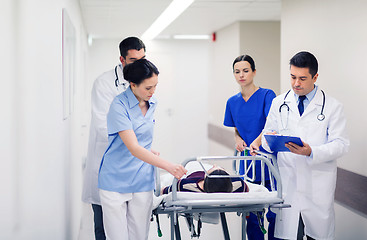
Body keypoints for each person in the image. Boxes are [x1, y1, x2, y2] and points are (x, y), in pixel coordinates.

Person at [254, 51, 349, 240]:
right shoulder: (279, 102)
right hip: (289, 184)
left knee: (317, 234)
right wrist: (269, 140)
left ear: (315, 77)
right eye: (293, 77)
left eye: (302, 78)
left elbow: (341, 145)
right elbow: (265, 136)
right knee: (290, 234)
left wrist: (311, 151)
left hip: (317, 188)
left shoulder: (332, 107)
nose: (296, 83)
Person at [98, 59, 187, 240]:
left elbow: (137, 136)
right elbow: (133, 147)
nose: (152, 92)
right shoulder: (119, 106)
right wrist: (169, 166)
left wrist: (149, 149)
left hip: (142, 180)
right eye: (148, 88)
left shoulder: (151, 103)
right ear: (133, 85)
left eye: (155, 86)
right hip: (115, 180)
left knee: (140, 235)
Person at [82, 37, 146, 240]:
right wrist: (133, 142)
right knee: (104, 228)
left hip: (133, 168)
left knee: (131, 227)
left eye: (143, 59)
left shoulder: (144, 82)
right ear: (122, 59)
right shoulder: (104, 83)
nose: (140, 64)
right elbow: (103, 125)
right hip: (107, 164)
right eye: (134, 60)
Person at [223, 55, 278, 240]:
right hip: (246, 163)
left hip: (267, 161)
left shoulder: (267, 96)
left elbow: (271, 125)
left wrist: (257, 142)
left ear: (254, 72)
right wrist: (237, 139)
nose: (241, 75)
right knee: (252, 215)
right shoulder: (232, 102)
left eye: (246, 71)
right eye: (237, 71)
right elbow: (237, 130)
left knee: (273, 213)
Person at [162, 165, 249, 194]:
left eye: (213, 167)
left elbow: (165, 191)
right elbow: (246, 188)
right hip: (196, 168)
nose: (214, 164)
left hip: (192, 170)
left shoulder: (184, 185)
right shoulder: (239, 184)